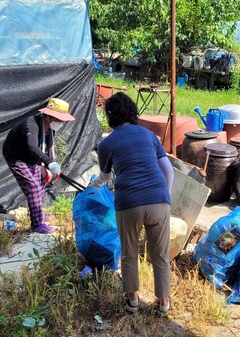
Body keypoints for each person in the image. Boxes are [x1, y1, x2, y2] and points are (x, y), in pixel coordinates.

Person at [92, 92, 173, 316]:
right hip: (159, 200)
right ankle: (164, 303)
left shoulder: (106, 143)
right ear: (132, 111)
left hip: (129, 202)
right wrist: (165, 197)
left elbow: (106, 177)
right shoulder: (149, 136)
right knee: (160, 254)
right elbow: (168, 170)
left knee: (129, 253)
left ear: (110, 116)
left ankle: (133, 300)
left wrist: (95, 185)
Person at [2, 98, 75, 234]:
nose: (61, 122)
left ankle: (39, 215)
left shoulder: (50, 129)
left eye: (62, 119)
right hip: (16, 156)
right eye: (58, 118)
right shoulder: (31, 124)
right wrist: (49, 163)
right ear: (47, 115)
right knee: (33, 187)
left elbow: (47, 149)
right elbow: (32, 146)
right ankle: (37, 225)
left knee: (40, 184)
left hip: (31, 157)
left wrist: (49, 168)